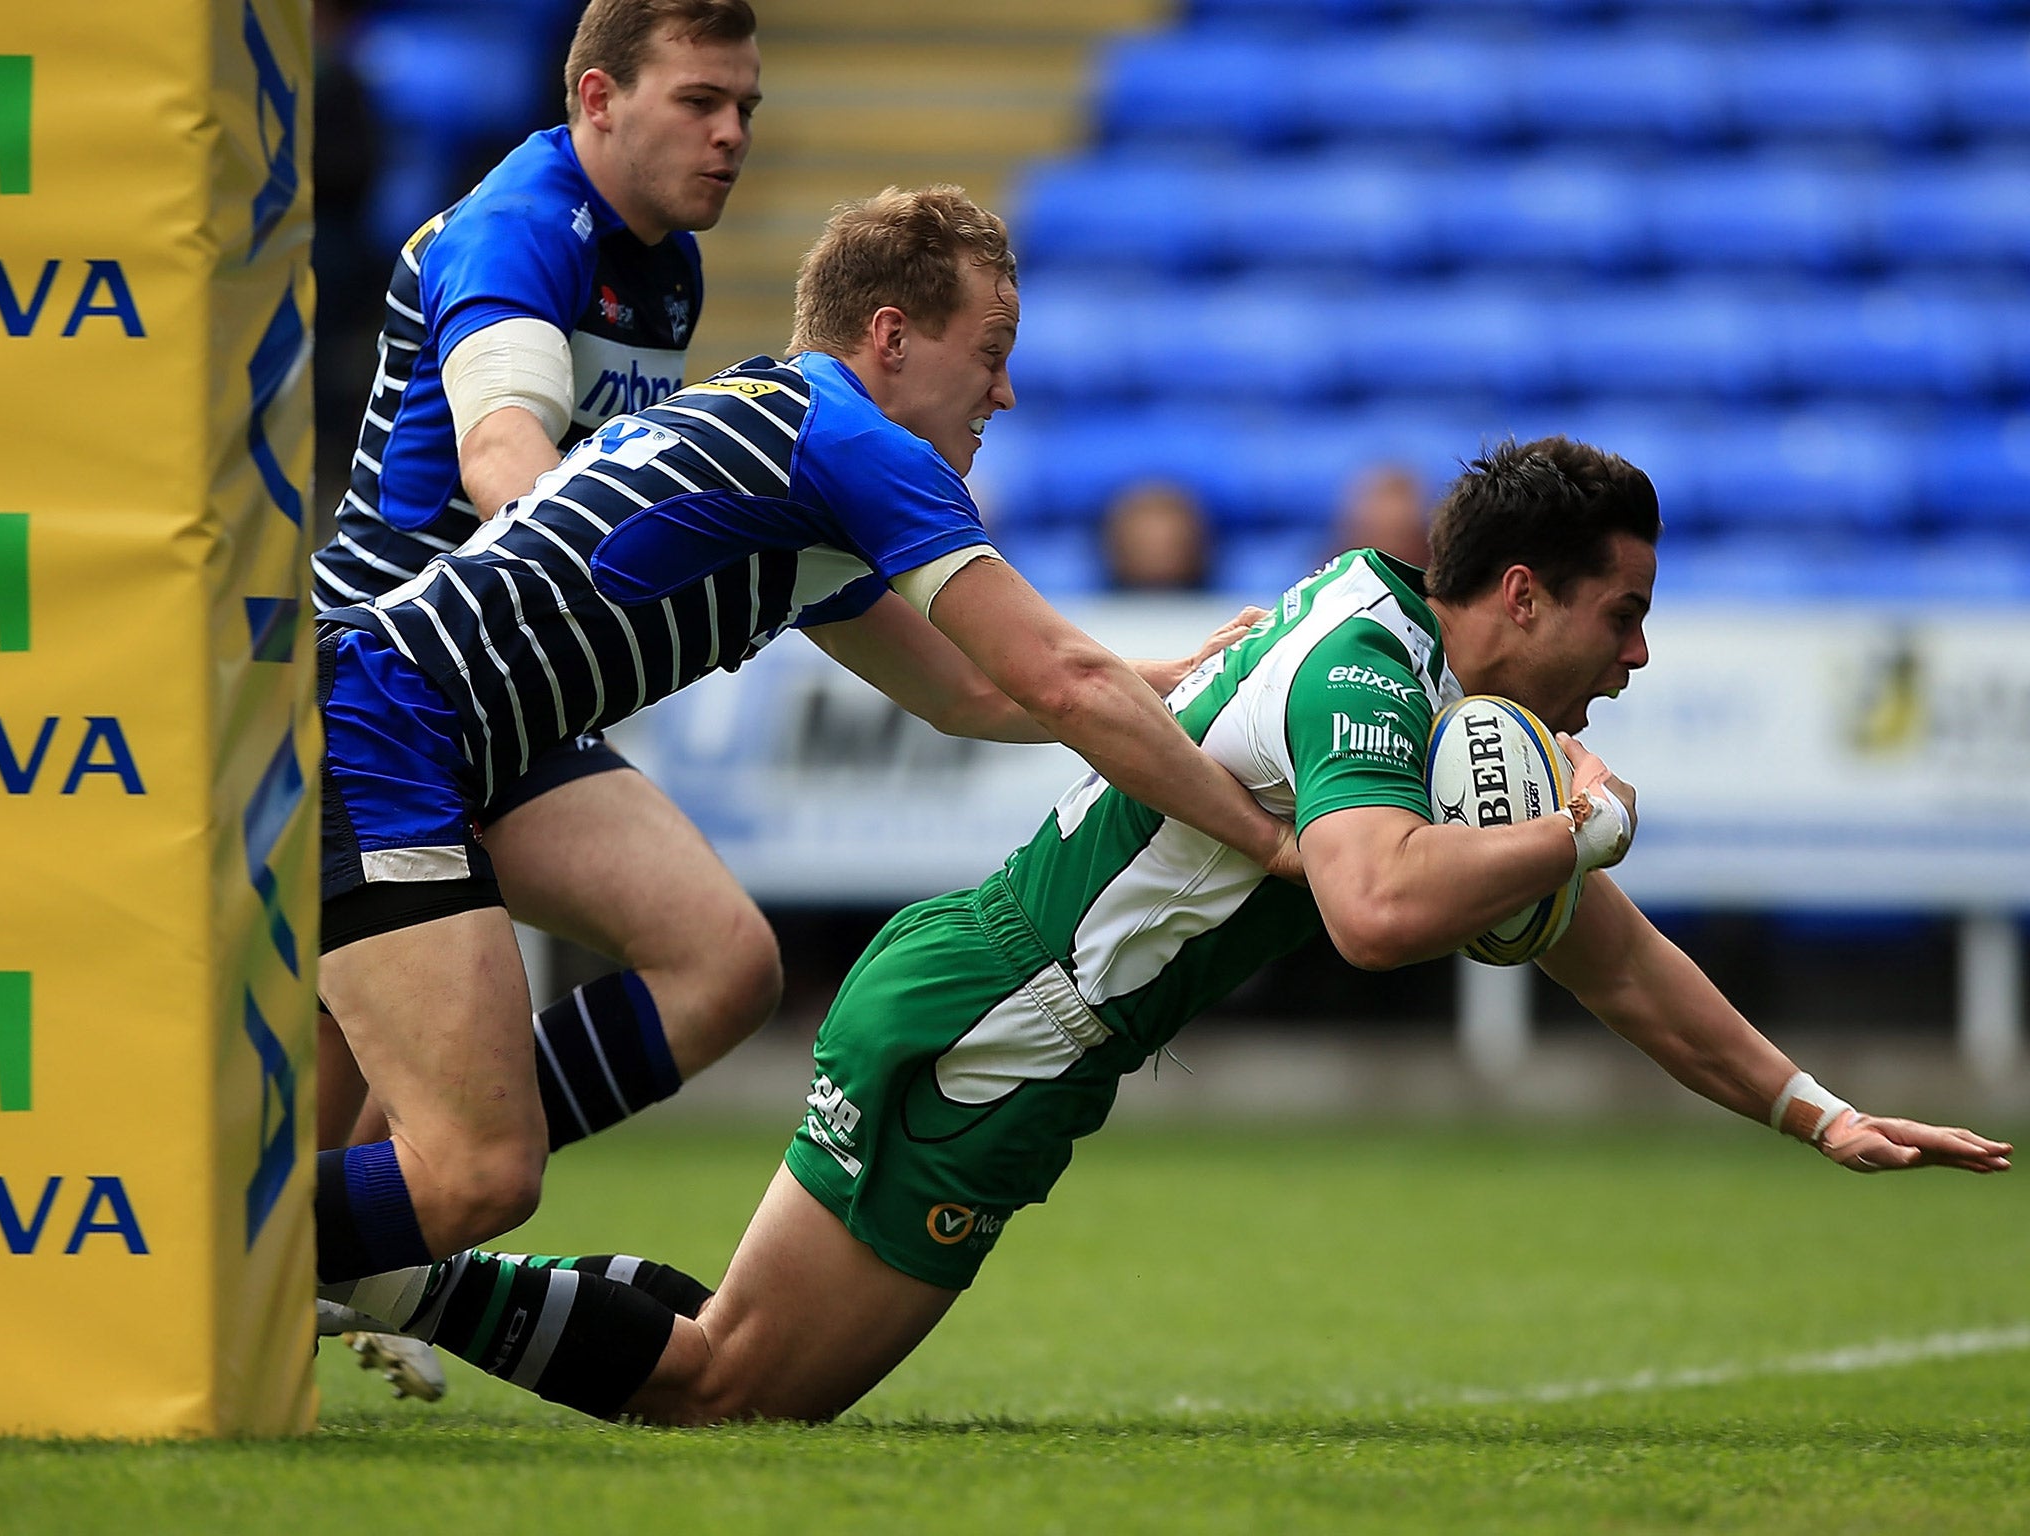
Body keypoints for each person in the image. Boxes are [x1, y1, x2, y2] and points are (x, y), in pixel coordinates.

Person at [319, 434, 2010, 1425]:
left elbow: (1600, 952)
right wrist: (1576, 822)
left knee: (735, 1373)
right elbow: (1366, 909)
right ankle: (362, 1257)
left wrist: (1810, 1109)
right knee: (731, 1393)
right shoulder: (1372, 671)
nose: (1632, 656)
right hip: (999, 1027)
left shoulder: (1410, 676)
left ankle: (372, 1267)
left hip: (989, 998)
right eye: (1619, 613)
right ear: (1519, 597)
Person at [308, 184, 1305, 1418]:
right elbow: (1055, 679)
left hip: (424, 737)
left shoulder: (790, 437)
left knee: (476, 1126)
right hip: (386, 734)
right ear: (889, 338)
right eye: (987, 354)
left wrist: (1164, 677)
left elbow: (975, 694)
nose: (1000, 392)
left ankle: (293, 1260)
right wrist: (1267, 839)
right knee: (470, 1173)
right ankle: (186, 1252)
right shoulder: (854, 447)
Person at [306, 0, 769, 1400]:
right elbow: (508, 449)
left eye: (747, 104)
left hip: (501, 698)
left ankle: (381, 1259)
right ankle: (349, 1264)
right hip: (387, 681)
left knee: (724, 962)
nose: (734, 132)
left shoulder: (667, 267)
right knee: (341, 1139)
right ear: (594, 99)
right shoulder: (521, 224)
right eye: (701, 100)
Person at [1100, 478, 1212, 591]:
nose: (1157, 554)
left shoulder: (1222, 603)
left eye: (1170, 547)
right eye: (1143, 546)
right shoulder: (1089, 604)